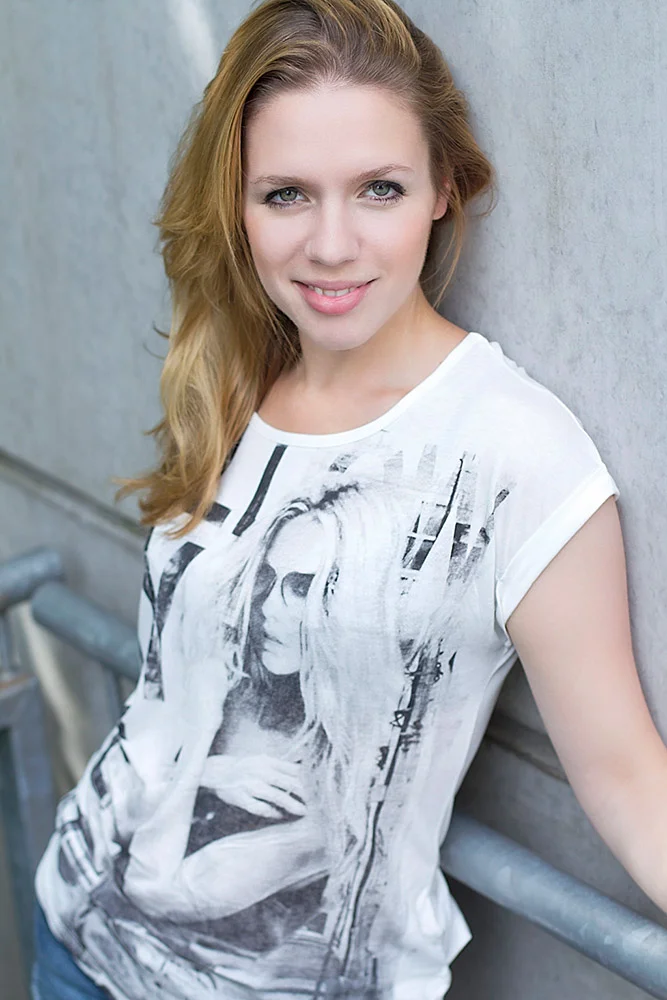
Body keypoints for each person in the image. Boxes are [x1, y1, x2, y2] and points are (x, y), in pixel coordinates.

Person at [30, 1, 658, 998]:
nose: (331, 244)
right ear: (236, 203)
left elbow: (628, 780)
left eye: (378, 189)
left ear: (444, 187)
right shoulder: (234, 375)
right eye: (285, 194)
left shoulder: (516, 455)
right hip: (74, 939)